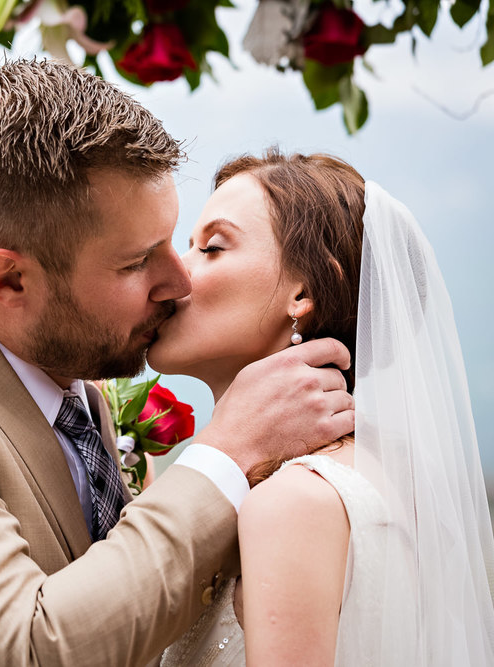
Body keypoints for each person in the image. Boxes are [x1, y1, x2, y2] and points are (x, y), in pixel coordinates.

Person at [0, 60, 354, 666]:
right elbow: (26, 649)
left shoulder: (71, 386)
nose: (179, 280)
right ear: (8, 279)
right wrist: (225, 456)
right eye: (134, 263)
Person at [153, 149, 494, 666]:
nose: (177, 269)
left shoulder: (293, 503)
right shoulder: (389, 477)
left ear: (305, 292)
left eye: (212, 247)